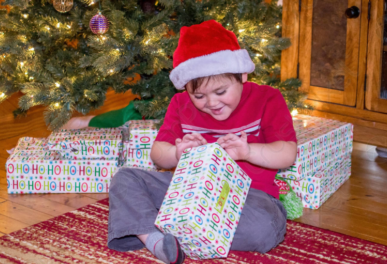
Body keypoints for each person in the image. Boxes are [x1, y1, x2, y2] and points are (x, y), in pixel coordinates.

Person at [107, 20, 297, 264]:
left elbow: (287, 153)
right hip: (185, 194)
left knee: (265, 228)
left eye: (220, 92)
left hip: (249, 198)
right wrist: (178, 153)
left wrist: (248, 152)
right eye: (198, 96)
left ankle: (169, 230)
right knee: (125, 178)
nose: (212, 103)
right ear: (186, 88)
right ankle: (153, 239)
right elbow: (157, 153)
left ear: (243, 75)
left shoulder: (267, 98)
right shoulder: (179, 104)